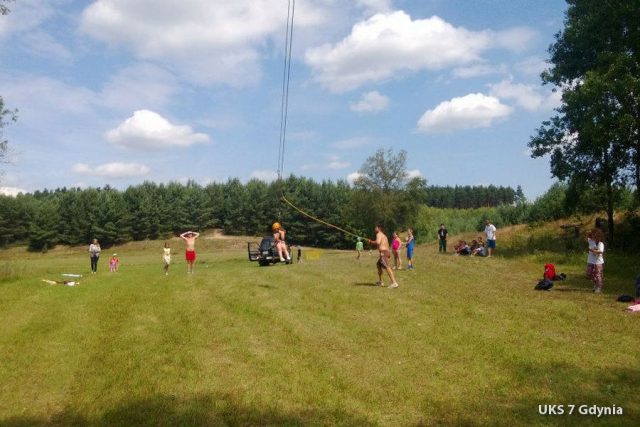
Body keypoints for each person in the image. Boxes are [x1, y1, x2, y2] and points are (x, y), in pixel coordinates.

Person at [589, 228, 605, 293]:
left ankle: (599, 287)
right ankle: (596, 283)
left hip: (598, 262)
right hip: (590, 261)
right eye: (592, 235)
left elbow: (601, 251)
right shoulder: (590, 241)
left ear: (598, 236)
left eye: (594, 235)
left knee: (598, 274)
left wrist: (593, 250)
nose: (593, 236)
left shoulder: (601, 244)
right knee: (589, 273)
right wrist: (590, 232)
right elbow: (586, 236)